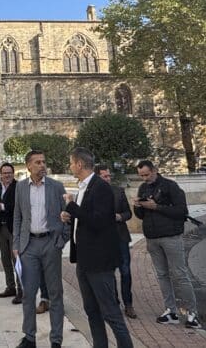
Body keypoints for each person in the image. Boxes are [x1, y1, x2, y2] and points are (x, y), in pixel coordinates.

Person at [61, 148, 133, 348]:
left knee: (110, 312)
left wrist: (72, 207)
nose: (70, 166)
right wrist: (70, 217)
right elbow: (85, 219)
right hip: (84, 259)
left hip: (99, 261)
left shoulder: (100, 187)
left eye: (71, 162)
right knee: (91, 311)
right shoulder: (83, 187)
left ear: (79, 164)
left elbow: (100, 221)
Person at [133, 160, 201, 329]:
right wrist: (138, 206)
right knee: (162, 275)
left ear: (155, 170)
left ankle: (192, 313)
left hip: (171, 237)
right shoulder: (143, 188)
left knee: (179, 274)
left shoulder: (171, 186)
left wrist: (156, 207)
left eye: (147, 175)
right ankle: (171, 310)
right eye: (141, 176)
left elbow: (181, 211)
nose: (145, 178)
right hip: (152, 237)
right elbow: (142, 215)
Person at [12, 149, 69, 348]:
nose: (42, 165)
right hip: (29, 246)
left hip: (50, 244)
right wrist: (17, 245)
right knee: (28, 293)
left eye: (43, 161)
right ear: (28, 166)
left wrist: (62, 239)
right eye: (37, 162)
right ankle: (29, 337)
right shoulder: (20, 188)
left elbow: (67, 216)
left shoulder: (56, 186)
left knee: (55, 293)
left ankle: (56, 340)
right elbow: (17, 217)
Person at [95, 164, 137, 319]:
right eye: (104, 176)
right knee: (109, 273)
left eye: (109, 175)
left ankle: (128, 304)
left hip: (120, 237)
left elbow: (128, 213)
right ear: (97, 177)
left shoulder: (119, 192)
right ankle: (114, 303)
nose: (108, 178)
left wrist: (120, 216)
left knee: (125, 271)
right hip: (104, 240)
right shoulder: (92, 194)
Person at [0, 162, 21, 302]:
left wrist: (3, 206)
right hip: (1, 228)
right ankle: (10, 287)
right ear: (0, 174)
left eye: (9, 173)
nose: (7, 175)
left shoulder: (18, 187)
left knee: (17, 260)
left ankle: (22, 290)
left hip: (14, 228)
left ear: (13, 174)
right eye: (4, 173)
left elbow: (18, 206)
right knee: (5, 259)